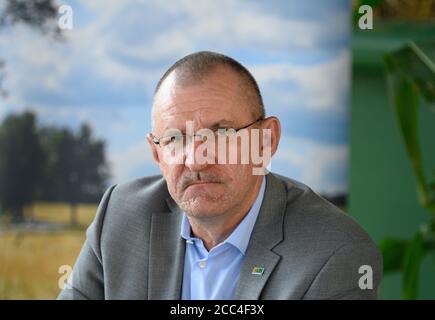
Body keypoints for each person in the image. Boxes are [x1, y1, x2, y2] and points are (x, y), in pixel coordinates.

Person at [58, 51, 382, 300]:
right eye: (175, 139)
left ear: (265, 141)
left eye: (222, 133)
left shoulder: (336, 254)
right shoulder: (120, 216)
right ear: (156, 153)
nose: (197, 158)